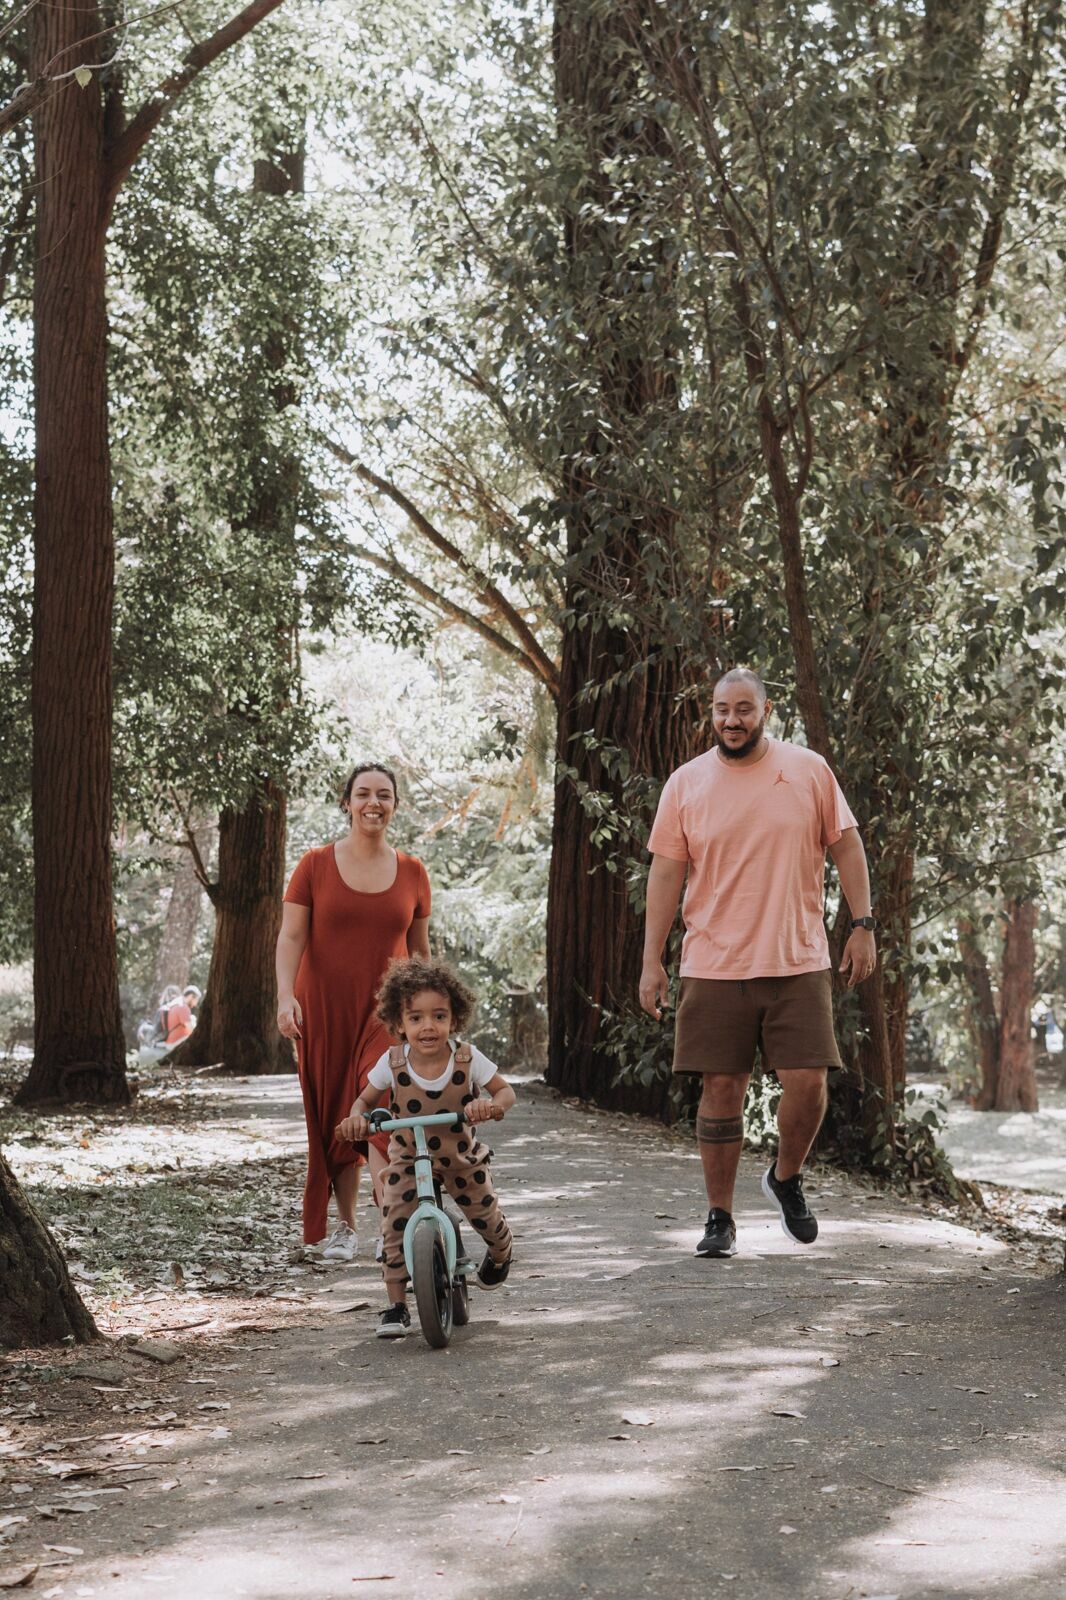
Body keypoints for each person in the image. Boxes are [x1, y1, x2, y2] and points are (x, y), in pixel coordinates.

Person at [639, 668, 876, 1258]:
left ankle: (786, 1177)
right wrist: (651, 960)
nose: (731, 720)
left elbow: (846, 844)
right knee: (721, 1087)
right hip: (713, 962)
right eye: (722, 709)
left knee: (810, 1083)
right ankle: (719, 1217)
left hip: (797, 958)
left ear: (765, 711)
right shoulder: (686, 784)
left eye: (743, 709)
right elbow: (666, 873)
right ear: (711, 713)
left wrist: (863, 925)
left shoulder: (807, 770)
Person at [276, 764, 431, 1263]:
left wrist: (429, 1009)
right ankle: (344, 1228)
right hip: (321, 1008)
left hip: (387, 1011)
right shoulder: (315, 865)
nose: (373, 803)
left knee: (381, 1098)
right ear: (346, 802)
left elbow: (420, 948)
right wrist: (284, 996)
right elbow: (292, 936)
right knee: (336, 1117)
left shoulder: (413, 871)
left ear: (395, 805)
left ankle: (396, 1217)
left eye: (384, 795)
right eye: (363, 793)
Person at [337, 956, 515, 1339]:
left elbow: (505, 1091)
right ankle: (397, 1306)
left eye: (439, 1016)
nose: (427, 1026)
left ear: (454, 1018)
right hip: (408, 1155)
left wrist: (492, 1106)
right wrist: (356, 1118)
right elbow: (364, 1101)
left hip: (459, 1156)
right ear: (399, 1023)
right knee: (394, 1219)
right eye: (415, 1018)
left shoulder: (466, 1058)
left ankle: (501, 1252)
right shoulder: (393, 1061)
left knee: (485, 1214)